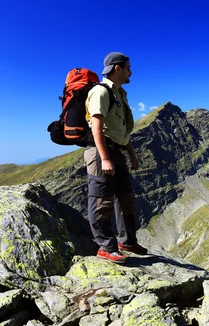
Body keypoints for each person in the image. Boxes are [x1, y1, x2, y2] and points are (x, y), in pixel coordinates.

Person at [84, 52, 147, 264]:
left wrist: (131, 153)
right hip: (101, 152)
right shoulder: (101, 92)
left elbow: (119, 130)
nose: (131, 71)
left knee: (127, 197)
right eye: (128, 67)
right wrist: (105, 158)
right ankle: (105, 247)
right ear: (117, 68)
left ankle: (127, 241)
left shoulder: (120, 94)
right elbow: (97, 128)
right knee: (102, 200)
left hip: (117, 152)